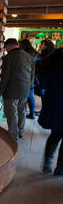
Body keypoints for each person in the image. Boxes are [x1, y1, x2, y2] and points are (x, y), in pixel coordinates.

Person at [0, 38, 35, 140]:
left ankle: (13, 134)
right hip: (25, 89)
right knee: (22, 110)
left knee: (11, 112)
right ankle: (20, 131)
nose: (6, 50)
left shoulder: (8, 58)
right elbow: (32, 75)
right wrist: (29, 88)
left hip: (12, 89)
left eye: (6, 48)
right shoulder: (29, 57)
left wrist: (0, 91)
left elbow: (5, 76)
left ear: (9, 46)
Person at [38, 48, 63, 176]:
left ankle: (47, 164)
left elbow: (43, 88)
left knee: (54, 136)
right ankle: (60, 169)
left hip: (56, 108)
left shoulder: (51, 67)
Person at [19, 40, 39, 119]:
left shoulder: (27, 54)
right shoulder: (34, 53)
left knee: (28, 96)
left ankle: (30, 114)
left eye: (20, 44)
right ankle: (31, 113)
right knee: (30, 96)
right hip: (32, 76)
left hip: (28, 76)